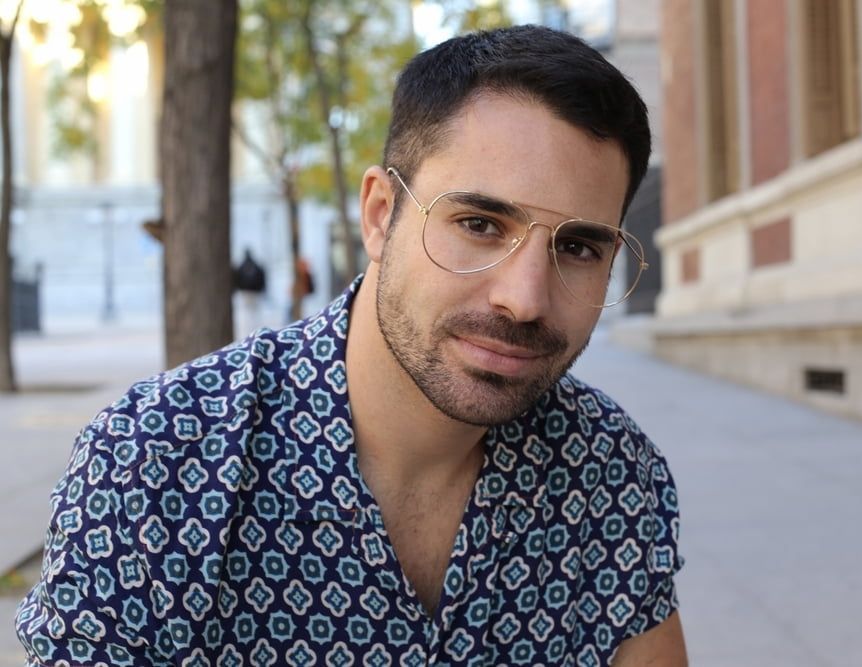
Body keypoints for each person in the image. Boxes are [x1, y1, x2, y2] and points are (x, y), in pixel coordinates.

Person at [15, 25, 686, 666]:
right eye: (480, 223)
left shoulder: (611, 474)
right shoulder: (155, 465)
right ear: (379, 216)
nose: (526, 298)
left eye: (578, 247)